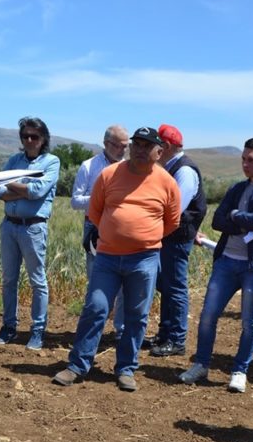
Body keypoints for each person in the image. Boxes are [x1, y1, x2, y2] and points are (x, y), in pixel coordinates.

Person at [52, 127, 181, 392]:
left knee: (136, 314)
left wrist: (143, 238)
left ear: (159, 151)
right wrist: (116, 235)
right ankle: (78, 365)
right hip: (108, 257)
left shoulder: (166, 182)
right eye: (137, 144)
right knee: (95, 308)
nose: (141, 150)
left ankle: (126, 368)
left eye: (148, 146)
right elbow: (96, 212)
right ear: (130, 147)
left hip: (144, 259)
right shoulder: (109, 175)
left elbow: (172, 222)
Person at [179, 137, 253, 393]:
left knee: (250, 322)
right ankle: (202, 364)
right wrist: (244, 221)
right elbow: (218, 220)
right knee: (208, 315)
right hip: (227, 260)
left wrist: (237, 216)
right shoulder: (237, 188)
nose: (246, 164)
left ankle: (240, 370)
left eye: (252, 160)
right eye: (243, 159)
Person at [0, 117, 60, 350]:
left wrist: (14, 185)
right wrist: (24, 190)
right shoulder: (14, 160)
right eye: (25, 136)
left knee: (37, 281)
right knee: (9, 279)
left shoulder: (51, 162)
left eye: (34, 136)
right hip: (9, 225)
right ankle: (8, 327)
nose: (29, 140)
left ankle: (38, 330)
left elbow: (38, 190)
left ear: (43, 139)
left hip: (33, 227)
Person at [145, 124, 207, 357]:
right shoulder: (174, 168)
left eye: (156, 145)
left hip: (177, 237)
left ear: (166, 146)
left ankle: (177, 339)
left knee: (175, 288)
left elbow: (175, 210)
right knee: (168, 286)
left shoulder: (184, 171)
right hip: (170, 236)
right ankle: (165, 333)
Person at [70, 125, 129, 340]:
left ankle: (120, 331)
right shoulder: (89, 166)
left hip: (123, 230)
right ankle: (92, 331)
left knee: (124, 284)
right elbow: (75, 201)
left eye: (126, 146)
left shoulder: (131, 169)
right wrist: (102, 198)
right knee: (97, 281)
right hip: (95, 227)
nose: (123, 151)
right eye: (119, 146)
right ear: (106, 144)